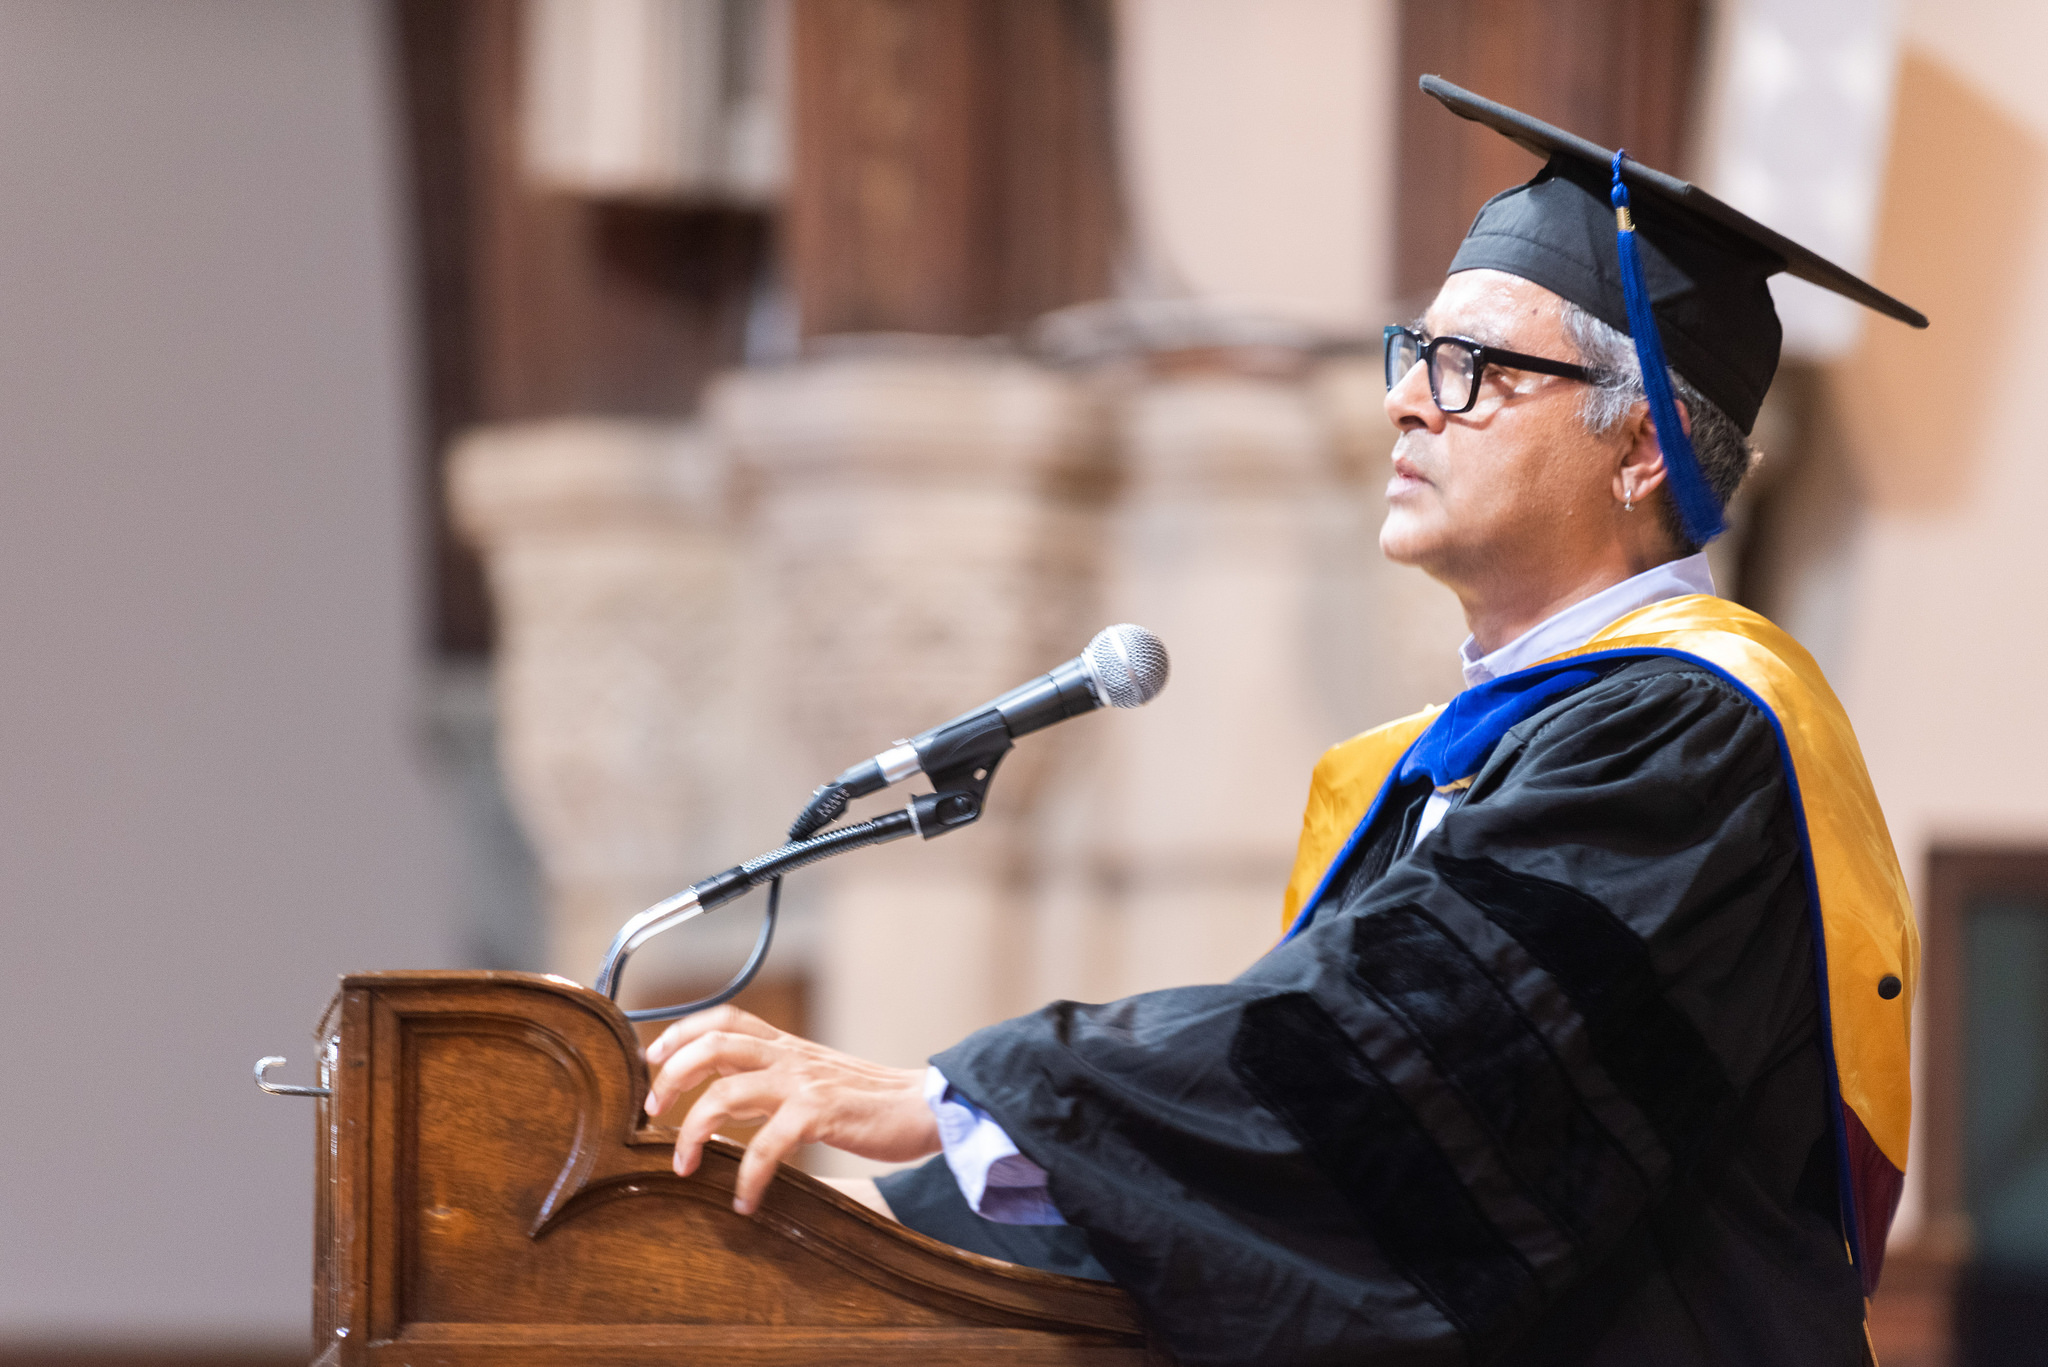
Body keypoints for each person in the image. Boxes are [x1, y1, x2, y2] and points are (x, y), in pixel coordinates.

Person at [639, 78, 1924, 1365]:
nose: (1405, 399)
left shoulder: (1687, 738)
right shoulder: (1489, 749)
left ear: (1639, 447)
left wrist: (956, 1097)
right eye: (1412, 353)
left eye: (1470, 368)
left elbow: (1396, 1055)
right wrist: (853, 1231)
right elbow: (1304, 1165)